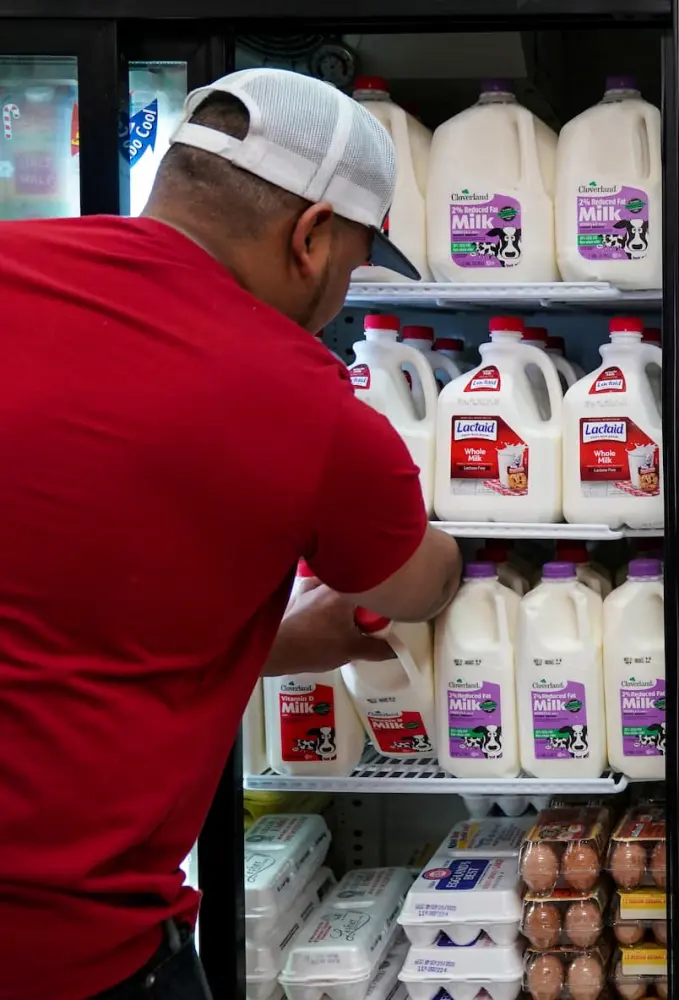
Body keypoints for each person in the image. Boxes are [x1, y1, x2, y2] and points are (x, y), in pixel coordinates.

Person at [0, 69, 462, 998]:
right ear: (310, 236)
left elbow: (71, 623)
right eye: (353, 266)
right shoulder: (297, 397)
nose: (341, 298)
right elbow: (410, 583)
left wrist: (282, 642)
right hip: (68, 951)